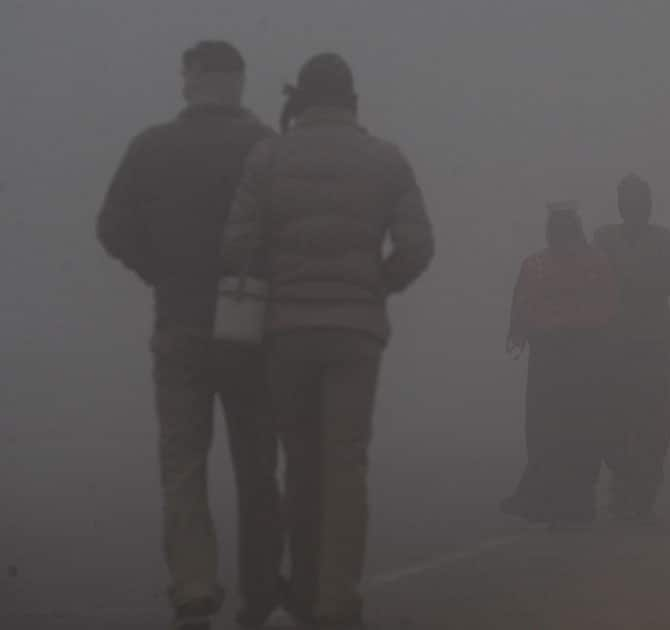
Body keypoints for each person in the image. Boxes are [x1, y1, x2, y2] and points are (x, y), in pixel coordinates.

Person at [221, 53, 434, 630]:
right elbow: (417, 244)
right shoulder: (385, 159)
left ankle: (305, 582)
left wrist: (282, 273)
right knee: (345, 466)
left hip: (287, 333)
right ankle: (337, 600)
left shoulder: (269, 156)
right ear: (352, 100)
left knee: (301, 463)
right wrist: (377, 285)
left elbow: (237, 243)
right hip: (355, 333)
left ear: (304, 99)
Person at [96, 42, 283, 630]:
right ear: (239, 80)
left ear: (197, 77)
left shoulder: (152, 147)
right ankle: (260, 587)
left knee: (183, 462)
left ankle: (194, 585)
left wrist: (160, 268)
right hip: (251, 324)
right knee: (256, 462)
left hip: (179, 320)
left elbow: (112, 227)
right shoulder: (266, 147)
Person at [501, 204, 617, 529]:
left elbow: (608, 307)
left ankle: (576, 503)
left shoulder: (596, 263)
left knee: (581, 430)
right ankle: (546, 501)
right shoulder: (535, 265)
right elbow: (522, 306)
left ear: (576, 228)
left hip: (584, 356)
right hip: (549, 357)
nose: (561, 231)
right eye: (557, 226)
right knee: (545, 430)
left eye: (567, 226)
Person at [593, 174, 670, 521]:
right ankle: (622, 485)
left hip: (655, 341)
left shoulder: (663, 238)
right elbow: (594, 278)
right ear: (619, 204)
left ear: (648, 204)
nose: (630, 205)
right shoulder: (603, 237)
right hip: (612, 341)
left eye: (637, 199)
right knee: (615, 418)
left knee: (656, 418)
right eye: (625, 199)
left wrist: (625, 282)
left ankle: (644, 492)